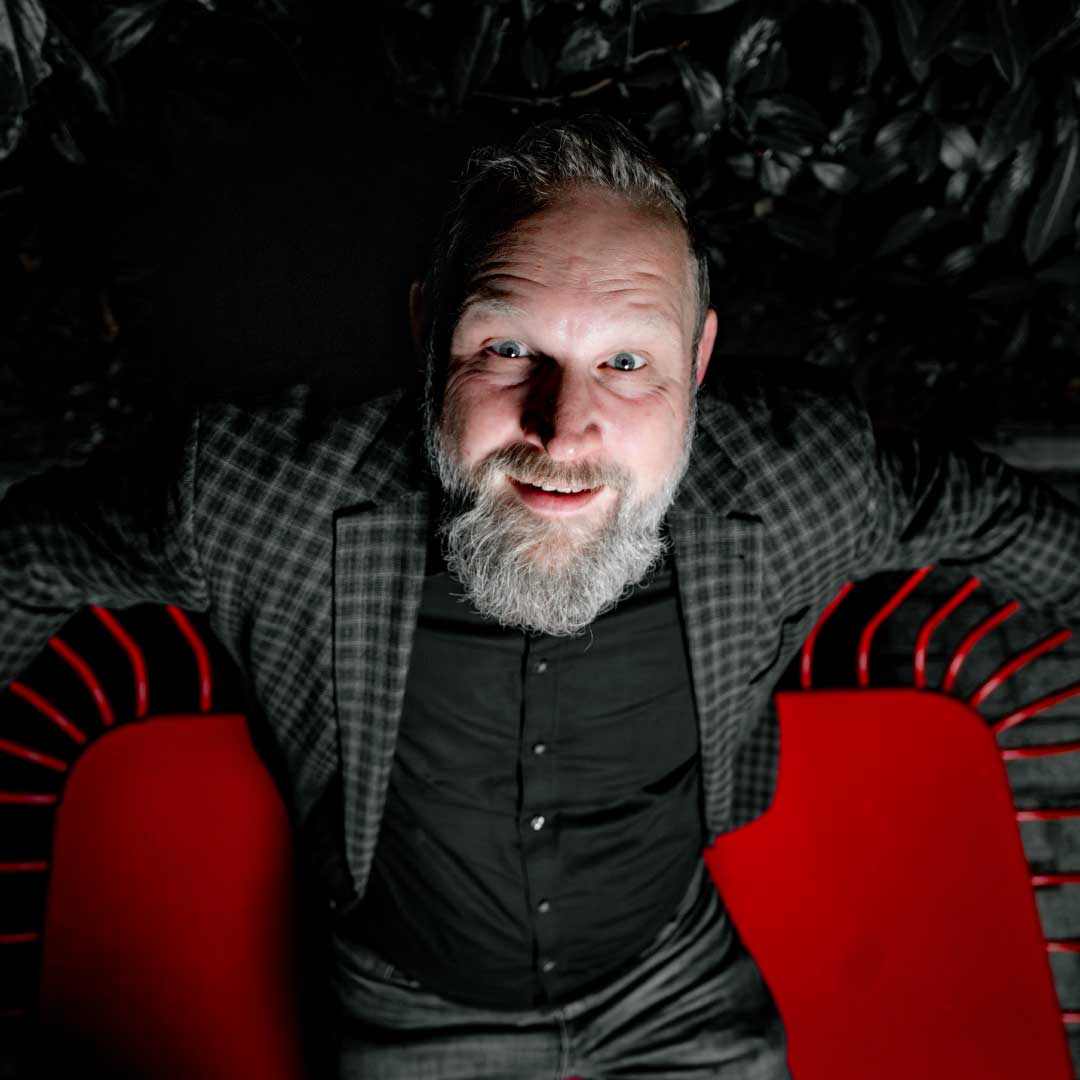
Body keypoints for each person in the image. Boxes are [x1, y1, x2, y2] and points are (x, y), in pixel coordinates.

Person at [2, 114, 1079, 1079]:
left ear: (700, 357)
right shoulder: (258, 501)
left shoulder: (808, 481)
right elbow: (31, 562)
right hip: (405, 996)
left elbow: (997, 518)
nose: (562, 431)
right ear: (429, 335)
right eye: (509, 347)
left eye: (627, 361)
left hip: (671, 972)